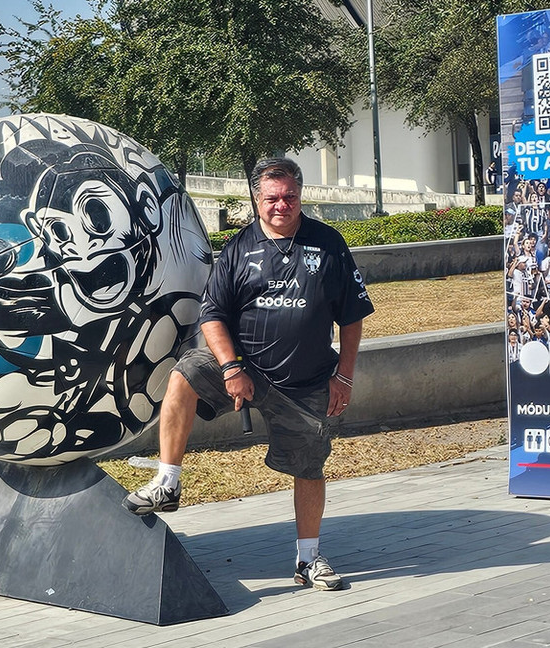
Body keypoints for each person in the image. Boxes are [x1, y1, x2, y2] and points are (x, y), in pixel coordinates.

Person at [121, 157, 374, 591]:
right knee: (185, 374)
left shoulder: (329, 244)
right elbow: (212, 315)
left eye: (290, 197)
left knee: (309, 468)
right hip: (246, 370)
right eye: (272, 198)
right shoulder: (239, 248)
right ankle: (168, 482)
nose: (282, 205)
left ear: (301, 196)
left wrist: (344, 376)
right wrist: (232, 367)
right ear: (257, 200)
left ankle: (307, 560)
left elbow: (352, 317)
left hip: (307, 383)